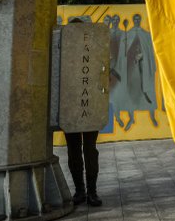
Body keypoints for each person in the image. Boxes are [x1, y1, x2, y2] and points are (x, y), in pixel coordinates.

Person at [64, 18, 103, 207]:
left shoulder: (92, 52)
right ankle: (80, 190)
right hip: (70, 109)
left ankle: (92, 192)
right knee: (73, 152)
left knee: (89, 151)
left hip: (90, 107)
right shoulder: (65, 54)